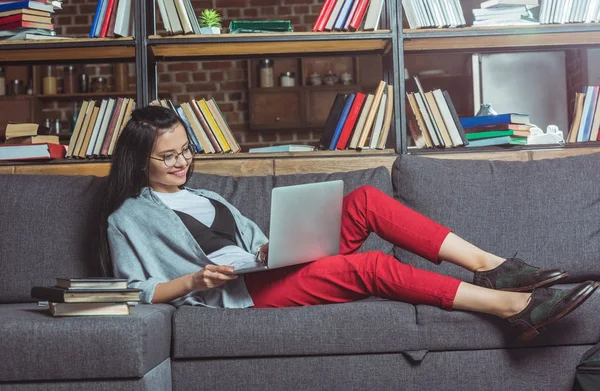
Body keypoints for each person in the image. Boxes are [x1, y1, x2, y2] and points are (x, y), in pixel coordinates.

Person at [99, 106, 597, 341]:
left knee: (362, 199)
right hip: (236, 293)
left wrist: (273, 249)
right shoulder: (129, 218)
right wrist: (195, 280)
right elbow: (131, 290)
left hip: (262, 267)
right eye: (168, 157)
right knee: (370, 266)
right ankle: (509, 305)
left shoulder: (206, 194)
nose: (182, 162)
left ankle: (493, 266)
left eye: (186, 149)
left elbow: (255, 242)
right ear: (140, 160)